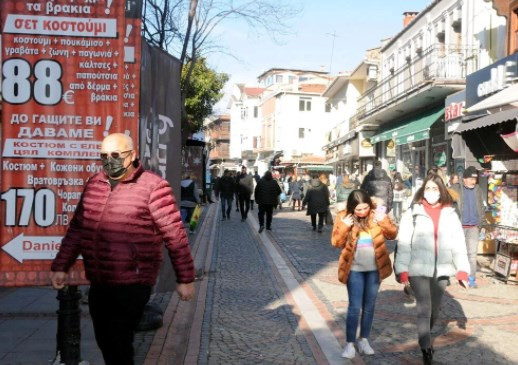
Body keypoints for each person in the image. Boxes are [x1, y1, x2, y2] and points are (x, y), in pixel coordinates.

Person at [50, 133, 195, 365]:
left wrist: (185, 278)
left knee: (118, 341)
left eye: (116, 155)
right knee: (105, 340)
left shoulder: (153, 187)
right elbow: (78, 228)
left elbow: (174, 235)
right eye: (104, 156)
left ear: (132, 155)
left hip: (133, 282)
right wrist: (61, 265)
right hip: (100, 279)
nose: (110, 160)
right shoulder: (94, 183)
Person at [394, 173, 470, 365]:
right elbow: (404, 243)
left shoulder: (450, 213)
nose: (431, 192)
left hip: (442, 269)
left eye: (435, 188)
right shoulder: (413, 212)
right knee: (424, 308)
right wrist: (402, 270)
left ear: (442, 190)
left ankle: (424, 333)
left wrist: (462, 270)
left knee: (434, 310)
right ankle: (426, 347)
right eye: (427, 188)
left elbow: (459, 243)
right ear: (422, 190)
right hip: (417, 268)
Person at [331, 189, 397, 359]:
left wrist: (383, 221)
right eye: (358, 210)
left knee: (369, 306)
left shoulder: (378, 213)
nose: (362, 213)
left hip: (375, 270)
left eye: (365, 208)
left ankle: (364, 340)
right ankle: (350, 344)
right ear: (352, 208)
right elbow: (336, 242)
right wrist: (345, 226)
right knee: (354, 307)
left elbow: (392, 234)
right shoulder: (343, 216)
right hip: (354, 270)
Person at [450, 166, 485, 288]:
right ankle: (457, 274)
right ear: (464, 178)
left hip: (474, 227)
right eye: (471, 178)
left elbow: (481, 206)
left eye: (475, 178)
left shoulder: (478, 190)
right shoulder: (455, 189)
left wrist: (481, 223)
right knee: (458, 252)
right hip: (459, 226)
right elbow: (448, 205)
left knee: (472, 254)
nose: (473, 181)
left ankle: (471, 278)